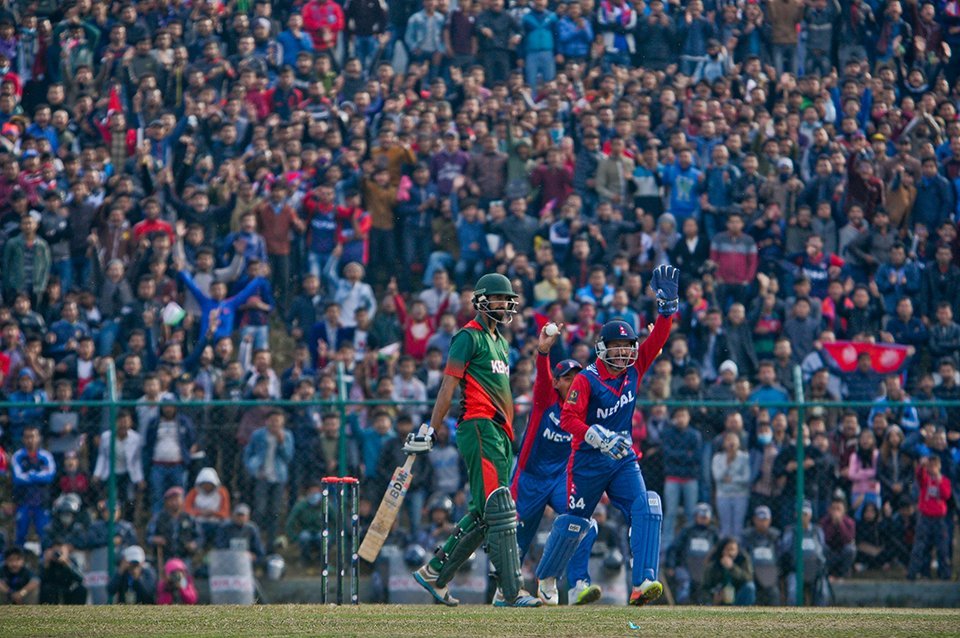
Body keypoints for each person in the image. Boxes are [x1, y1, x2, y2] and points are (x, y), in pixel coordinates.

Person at [535, 265, 680, 607]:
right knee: (576, 523)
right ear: (602, 348)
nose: (621, 352)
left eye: (626, 346)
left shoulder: (635, 367)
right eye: (614, 347)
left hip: (622, 459)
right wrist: (596, 437)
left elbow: (658, 338)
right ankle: (550, 579)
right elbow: (568, 419)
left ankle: (643, 580)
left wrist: (667, 309)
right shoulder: (586, 379)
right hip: (587, 459)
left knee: (648, 506)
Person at [411, 272, 542, 607]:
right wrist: (431, 427)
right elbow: (448, 387)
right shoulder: (468, 337)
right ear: (482, 302)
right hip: (479, 426)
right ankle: (511, 592)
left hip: (500, 433)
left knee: (485, 513)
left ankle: (436, 573)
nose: (504, 305)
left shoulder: (501, 342)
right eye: (499, 299)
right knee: (499, 508)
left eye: (507, 300)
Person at [510, 324, 599, 606]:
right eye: (566, 378)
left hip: (560, 478)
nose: (573, 382)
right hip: (530, 479)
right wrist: (543, 350)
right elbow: (542, 375)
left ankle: (567, 582)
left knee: (584, 524)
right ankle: (506, 592)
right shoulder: (545, 399)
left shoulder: (586, 406)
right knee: (518, 541)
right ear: (557, 382)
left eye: (577, 377)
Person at [908, 455, 952, 580]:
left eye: (934, 466)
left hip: (939, 519)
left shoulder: (945, 481)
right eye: (930, 466)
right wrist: (921, 466)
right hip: (925, 517)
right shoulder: (925, 480)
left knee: (942, 548)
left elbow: (946, 495)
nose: (932, 469)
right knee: (920, 547)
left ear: (939, 467)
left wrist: (939, 480)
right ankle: (914, 573)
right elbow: (918, 476)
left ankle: (945, 574)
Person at [11, 425, 56, 546]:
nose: (30, 440)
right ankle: (18, 561)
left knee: (44, 534)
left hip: (42, 502)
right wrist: (38, 476)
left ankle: (44, 562)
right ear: (23, 439)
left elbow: (49, 476)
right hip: (23, 501)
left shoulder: (46, 456)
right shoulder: (18, 456)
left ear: (39, 438)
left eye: (33, 436)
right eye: (27, 437)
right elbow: (17, 478)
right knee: (20, 534)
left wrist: (30, 475)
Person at [702, 537, 756, 606]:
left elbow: (748, 578)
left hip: (737, 597)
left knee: (750, 587)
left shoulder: (743, 559)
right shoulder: (713, 565)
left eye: (733, 550)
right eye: (728, 550)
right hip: (719, 599)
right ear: (721, 550)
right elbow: (704, 588)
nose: (731, 553)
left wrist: (732, 568)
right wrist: (712, 600)